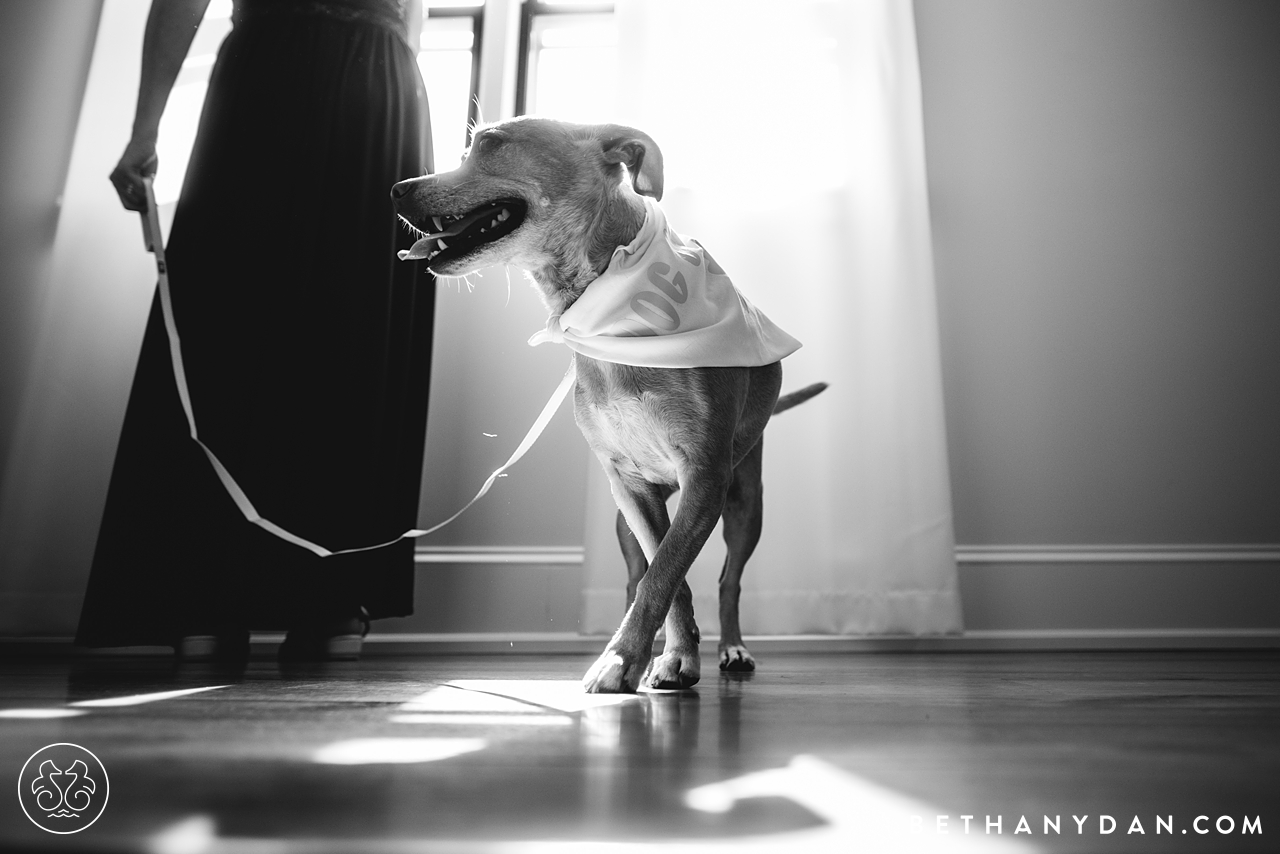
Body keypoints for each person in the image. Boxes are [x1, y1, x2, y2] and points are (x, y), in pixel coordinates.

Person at [76, 0, 436, 662]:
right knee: (282, 326)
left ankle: (264, 595)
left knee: (293, 328)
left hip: (333, 76)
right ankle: (280, 596)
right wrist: (145, 126)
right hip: (333, 80)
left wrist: (145, 128)